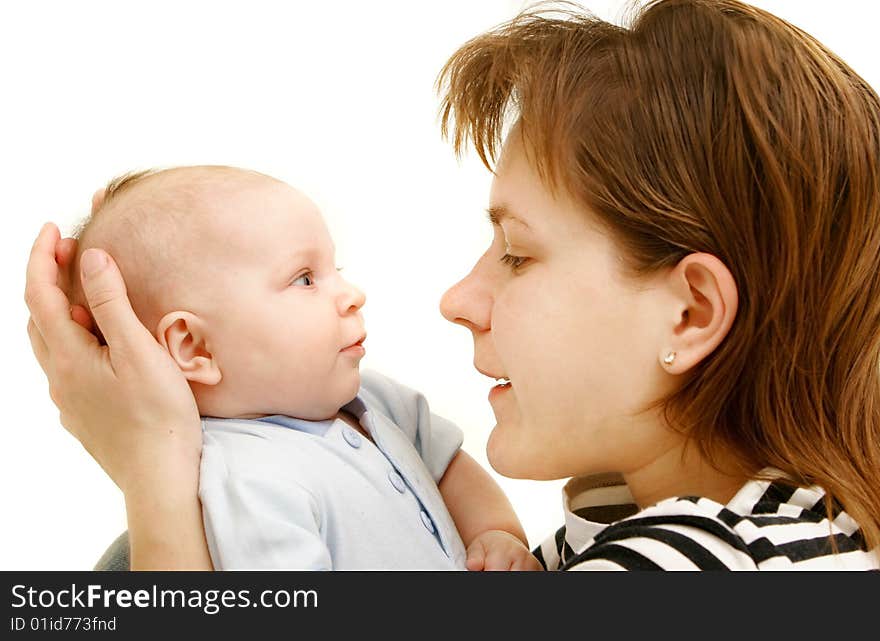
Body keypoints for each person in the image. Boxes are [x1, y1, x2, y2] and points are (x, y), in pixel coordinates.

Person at [26, 0, 880, 570]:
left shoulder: (682, 567)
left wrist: (152, 468)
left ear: (690, 311)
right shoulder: (689, 526)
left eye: (516, 252)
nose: (457, 299)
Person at [59, 165, 538, 570]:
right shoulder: (247, 482)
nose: (352, 296)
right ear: (194, 346)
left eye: (336, 270)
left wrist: (497, 533)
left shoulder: (374, 399)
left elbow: (449, 467)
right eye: (305, 278)